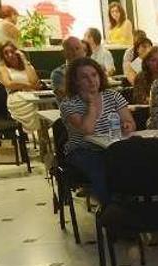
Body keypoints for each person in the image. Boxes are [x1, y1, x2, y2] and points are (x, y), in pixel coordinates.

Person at [59, 57, 135, 204]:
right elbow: (87, 130)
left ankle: (132, 202)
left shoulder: (113, 96)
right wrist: (92, 105)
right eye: (84, 77)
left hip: (113, 146)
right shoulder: (68, 104)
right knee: (100, 167)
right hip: (82, 150)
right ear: (75, 81)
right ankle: (110, 208)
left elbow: (130, 122)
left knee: (131, 160)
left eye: (94, 75)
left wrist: (127, 126)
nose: (91, 80)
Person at [0, 41, 41, 135]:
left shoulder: (27, 66)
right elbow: (9, 84)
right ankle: (34, 135)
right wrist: (28, 85)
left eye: (12, 51)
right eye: (6, 53)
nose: (10, 55)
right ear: (2, 56)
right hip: (16, 98)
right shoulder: (3, 69)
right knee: (32, 104)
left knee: (42, 104)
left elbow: (34, 81)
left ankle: (42, 137)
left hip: (32, 94)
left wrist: (24, 60)